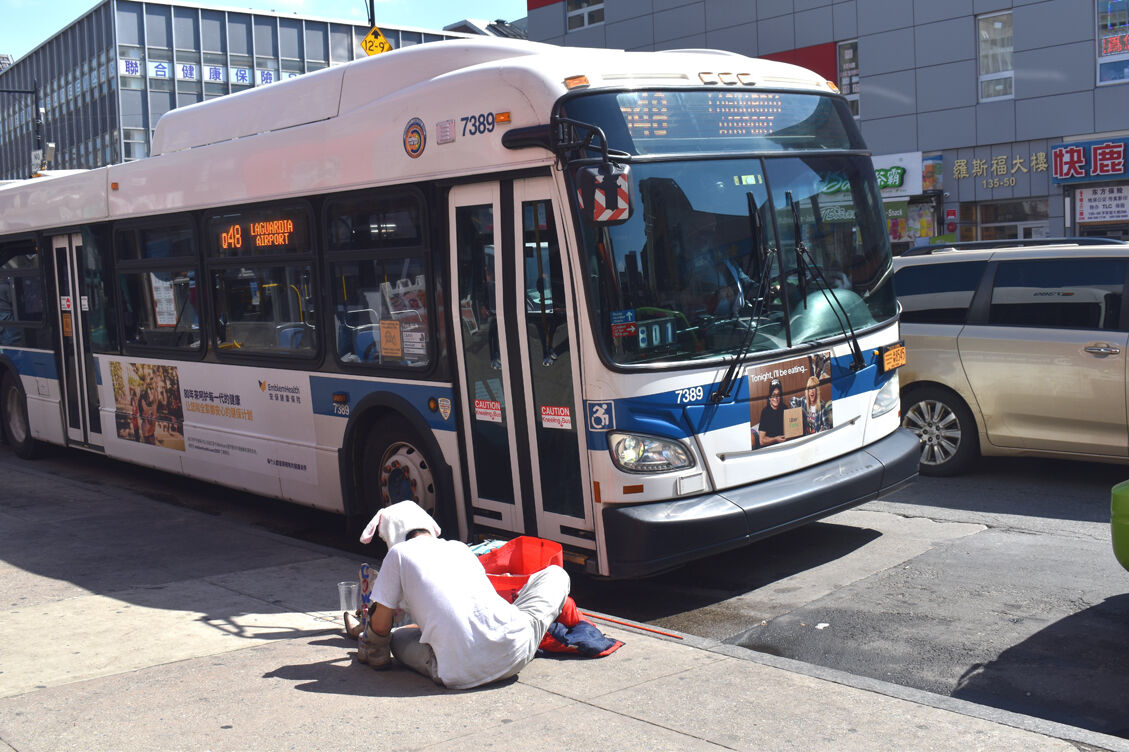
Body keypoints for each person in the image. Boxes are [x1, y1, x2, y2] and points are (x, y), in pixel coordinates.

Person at [356, 500, 570, 690]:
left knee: (399, 636)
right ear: (428, 526)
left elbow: (381, 629)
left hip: (459, 673)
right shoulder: (460, 548)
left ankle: (447, 659)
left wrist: (371, 646)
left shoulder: (398, 553)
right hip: (515, 651)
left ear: (392, 536)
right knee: (556, 575)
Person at [757, 379, 787, 448]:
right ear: (769, 398)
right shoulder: (765, 412)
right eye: (773, 395)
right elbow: (761, 441)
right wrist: (775, 439)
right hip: (770, 447)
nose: (776, 398)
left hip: (784, 445)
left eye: (778, 395)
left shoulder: (785, 408)